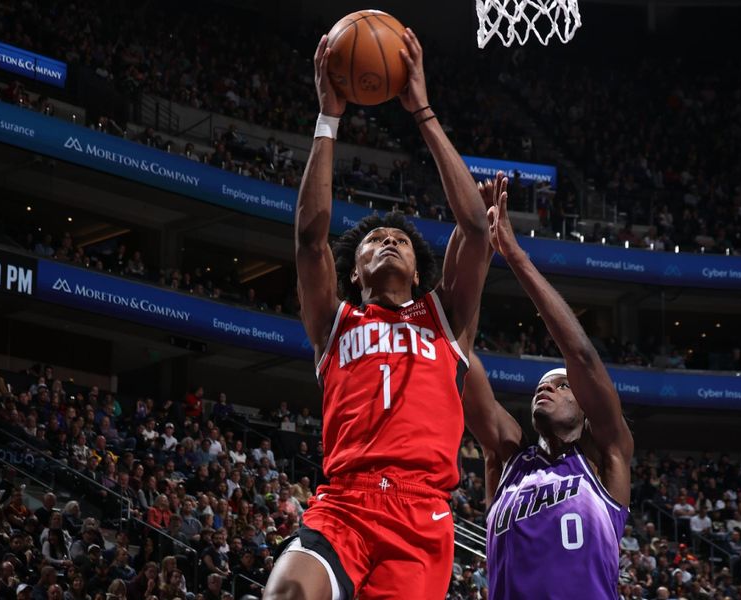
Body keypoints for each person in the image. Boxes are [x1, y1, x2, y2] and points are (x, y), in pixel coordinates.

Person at [264, 28, 490, 600]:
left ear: (417, 272)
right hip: (344, 503)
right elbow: (310, 241)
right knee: (288, 593)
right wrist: (328, 119)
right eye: (374, 241)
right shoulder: (334, 322)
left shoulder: (446, 318)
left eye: (401, 240)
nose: (389, 240)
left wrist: (422, 111)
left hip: (420, 516)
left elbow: (475, 230)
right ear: (354, 273)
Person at [463, 178, 633, 599]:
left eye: (561, 385)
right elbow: (457, 359)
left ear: (585, 404)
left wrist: (514, 255)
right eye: (543, 386)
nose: (548, 389)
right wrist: (475, 250)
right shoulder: (508, 457)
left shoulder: (604, 455)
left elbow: (582, 356)